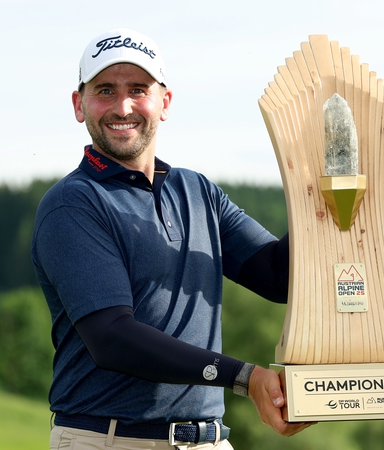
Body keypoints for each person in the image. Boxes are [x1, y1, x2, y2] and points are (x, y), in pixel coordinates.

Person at [32, 28, 313, 449]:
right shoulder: (73, 204)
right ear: (80, 105)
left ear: (164, 102)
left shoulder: (197, 192)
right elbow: (113, 338)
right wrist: (245, 377)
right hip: (109, 440)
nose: (122, 105)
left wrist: (318, 191)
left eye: (138, 89)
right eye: (105, 90)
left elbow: (278, 277)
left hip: (207, 441)